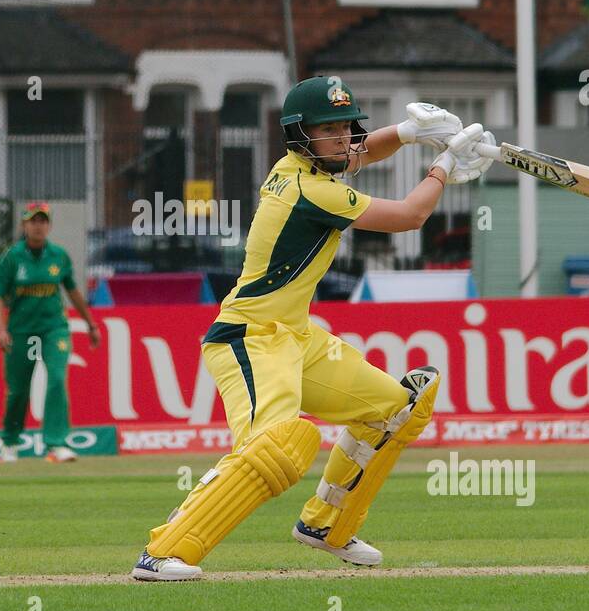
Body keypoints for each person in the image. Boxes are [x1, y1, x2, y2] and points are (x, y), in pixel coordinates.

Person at [131, 78, 492, 582]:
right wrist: (445, 163)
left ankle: (327, 524)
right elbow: (411, 216)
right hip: (250, 337)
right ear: (301, 134)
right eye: (331, 129)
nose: (344, 139)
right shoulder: (311, 189)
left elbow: (361, 151)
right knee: (276, 446)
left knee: (396, 409)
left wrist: (412, 132)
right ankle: (164, 550)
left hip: (295, 336)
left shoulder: (302, 166)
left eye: (347, 127)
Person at [0, 202, 102, 463]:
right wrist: (0, 330)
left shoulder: (59, 256)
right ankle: (9, 442)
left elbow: (72, 291)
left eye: (43, 221)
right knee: (18, 389)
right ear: (24, 225)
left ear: (49, 225)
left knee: (56, 379)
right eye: (33, 221)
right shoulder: (11, 257)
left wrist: (91, 324)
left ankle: (56, 444)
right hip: (21, 331)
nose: (38, 226)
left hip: (54, 329)